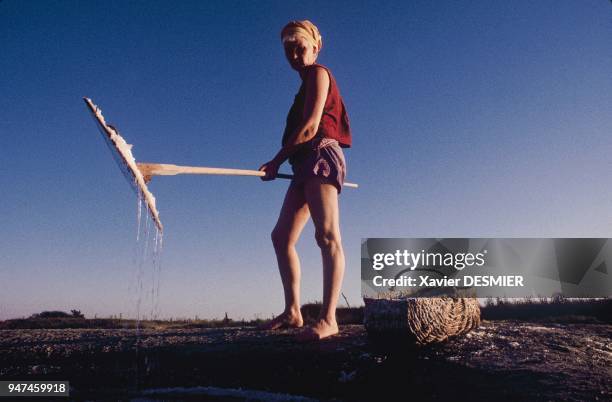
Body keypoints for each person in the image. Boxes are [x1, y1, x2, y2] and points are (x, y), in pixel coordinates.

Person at [259, 20, 352, 341]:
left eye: (300, 48)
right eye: (288, 50)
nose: (295, 55)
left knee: (327, 236)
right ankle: (293, 311)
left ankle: (329, 318)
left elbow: (312, 127)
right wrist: (285, 161)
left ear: (316, 47)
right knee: (281, 236)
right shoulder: (303, 84)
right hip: (303, 163)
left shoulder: (318, 73)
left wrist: (276, 161)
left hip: (321, 155)